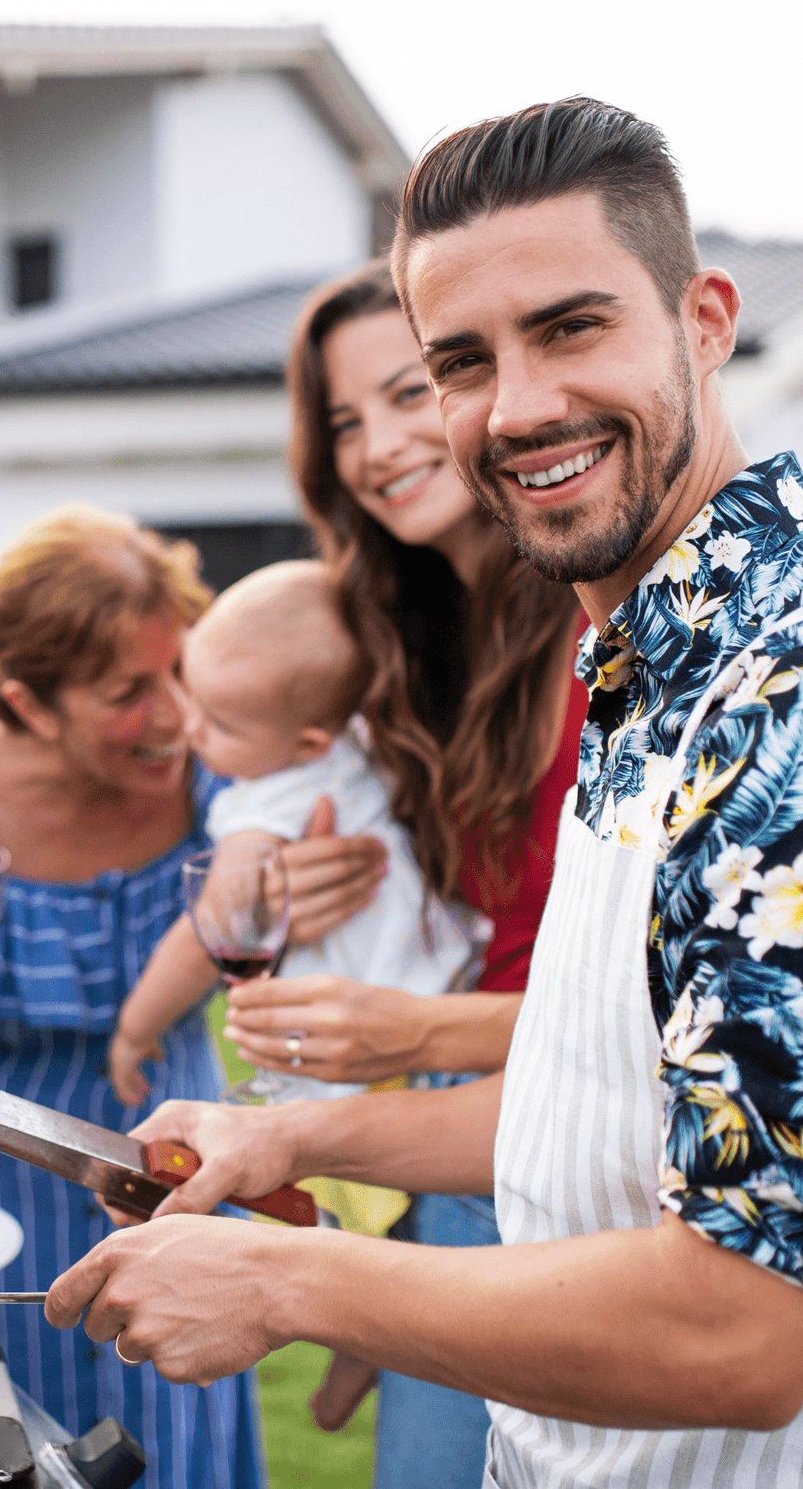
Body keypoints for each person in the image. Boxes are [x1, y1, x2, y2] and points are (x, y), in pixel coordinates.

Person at [45, 99, 803, 1488]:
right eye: (462, 363)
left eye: (573, 327)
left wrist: (289, 1285)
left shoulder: (796, 690)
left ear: (706, 321)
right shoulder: (638, 657)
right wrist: (289, 1133)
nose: (520, 406)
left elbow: (746, 1329)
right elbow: (606, 1103)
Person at [0, 506, 385, 1489]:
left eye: (179, 670)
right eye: (128, 692)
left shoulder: (222, 777)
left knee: (173, 1456)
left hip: (170, 1183)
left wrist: (327, 888)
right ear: (30, 702)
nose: (177, 713)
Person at [205, 256, 586, 1478]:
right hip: (464, 1155)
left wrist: (409, 1032)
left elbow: (630, 1021)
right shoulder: (403, 657)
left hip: (567, 1170)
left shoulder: (599, 636)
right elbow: (268, 809)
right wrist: (290, 872)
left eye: (411, 391)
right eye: (343, 423)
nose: (375, 447)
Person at [108, 559, 476, 1115]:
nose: (191, 727)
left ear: (306, 745)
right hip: (437, 996)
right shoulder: (356, 744)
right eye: (192, 694)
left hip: (352, 1045)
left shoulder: (272, 798)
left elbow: (217, 927)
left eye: (222, 725)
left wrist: (137, 1029)